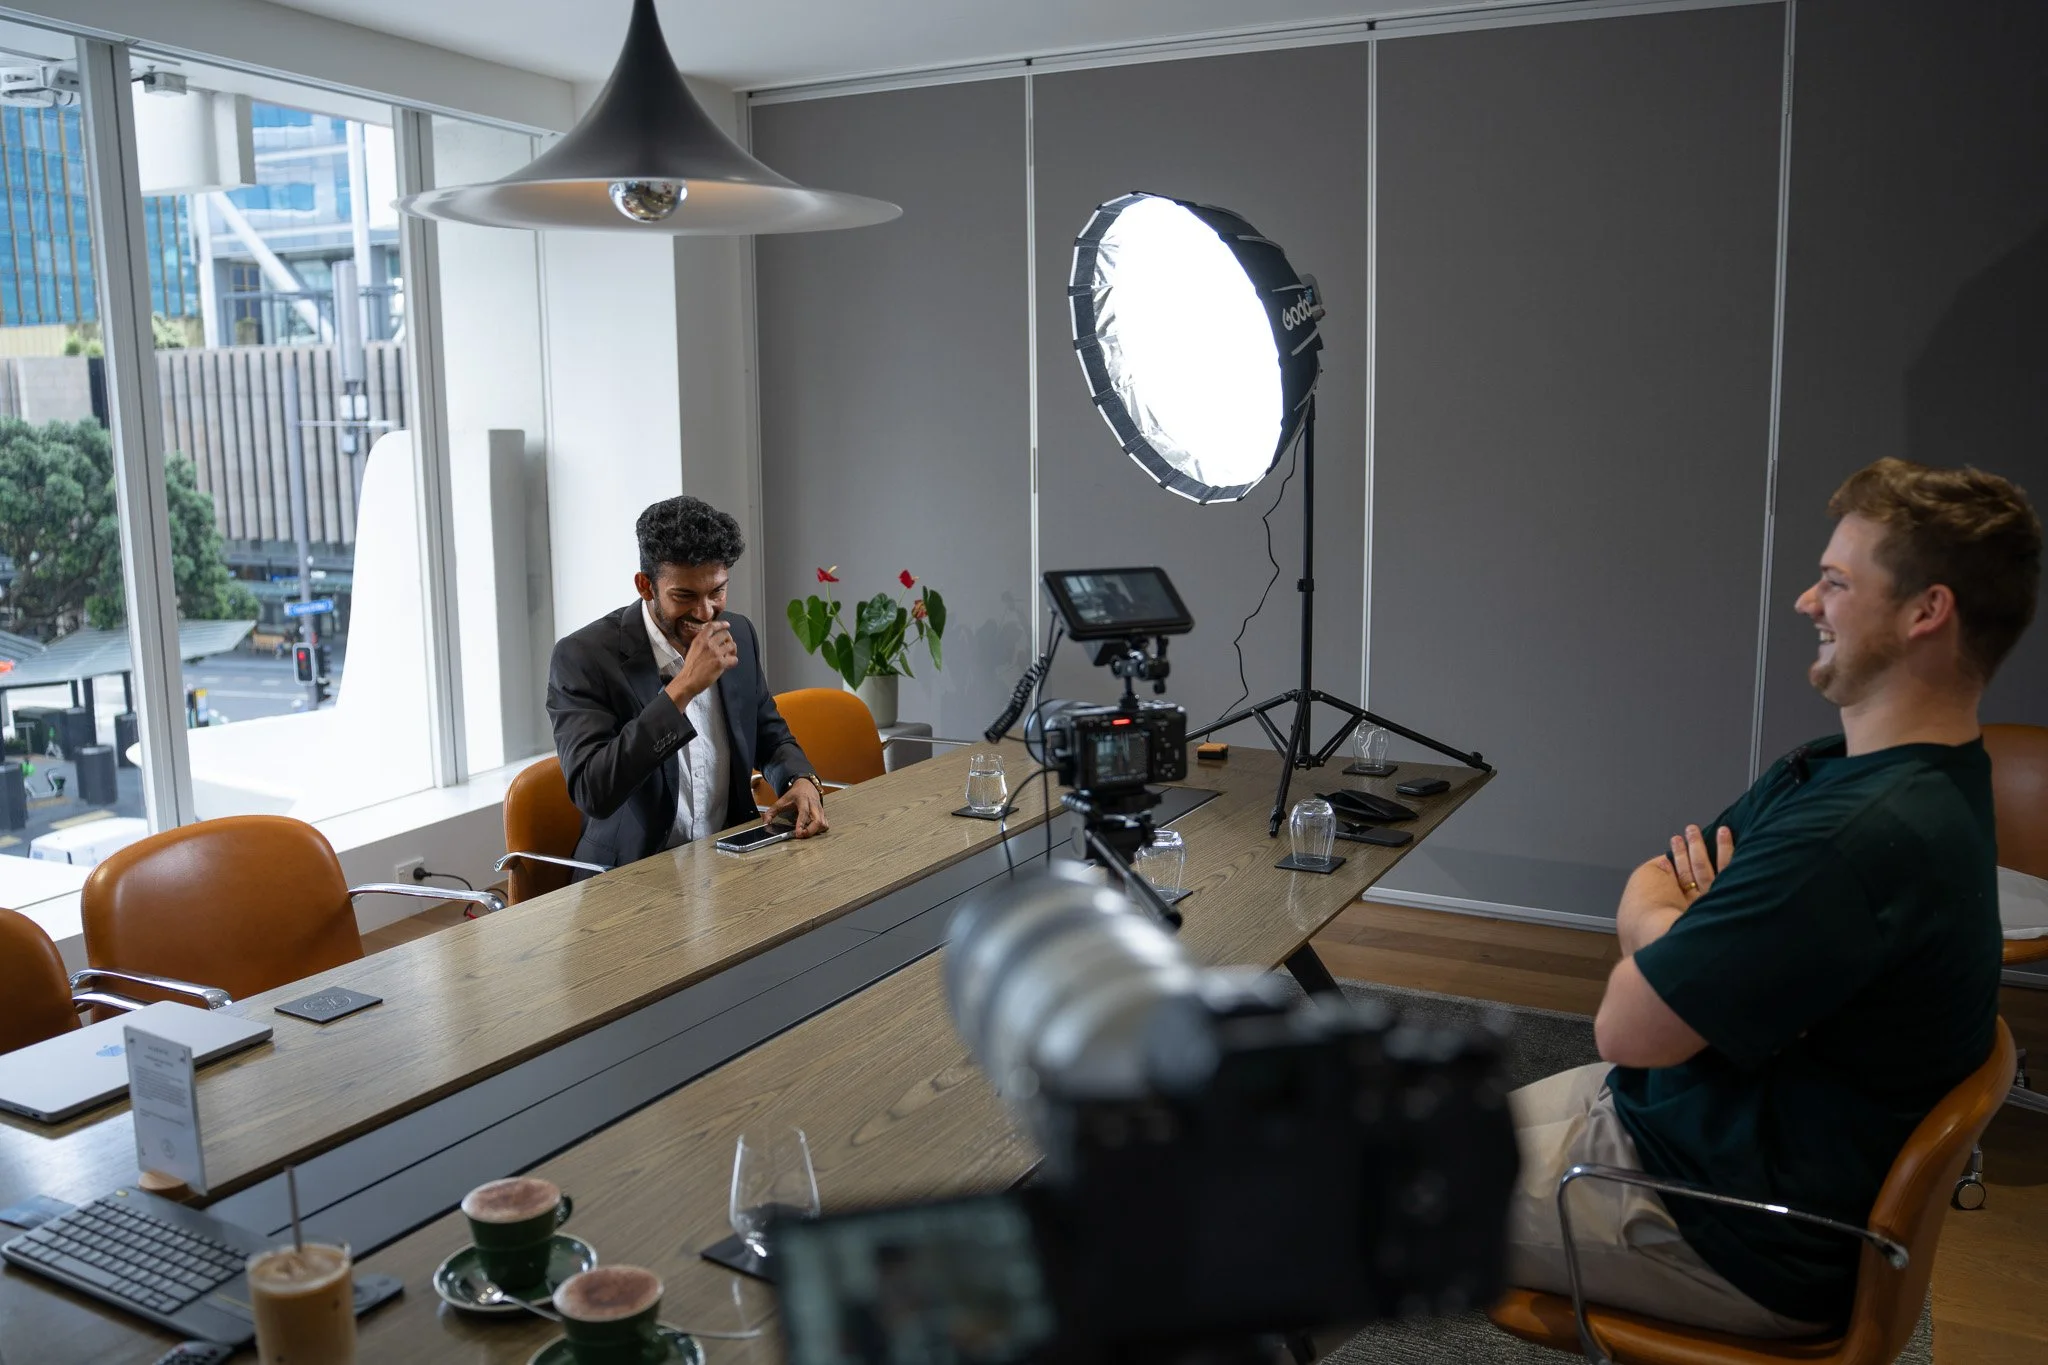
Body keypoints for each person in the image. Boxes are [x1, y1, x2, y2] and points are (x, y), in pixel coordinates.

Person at [1505, 458, 2041, 1335]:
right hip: (1681, 1116)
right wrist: (1685, 930)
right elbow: (1662, 872)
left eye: (1836, 581)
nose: (1806, 601)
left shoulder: (1858, 835)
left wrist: (1661, 923)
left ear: (1926, 612)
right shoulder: (1866, 773)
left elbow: (1627, 1022)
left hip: (1720, 1224)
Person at [547, 496, 827, 876]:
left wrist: (800, 780)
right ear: (646, 586)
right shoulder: (583, 657)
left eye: (717, 591)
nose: (705, 612)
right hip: (630, 876)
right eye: (685, 596)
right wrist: (682, 689)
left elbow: (769, 733)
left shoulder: (739, 633)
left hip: (728, 861)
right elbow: (593, 791)